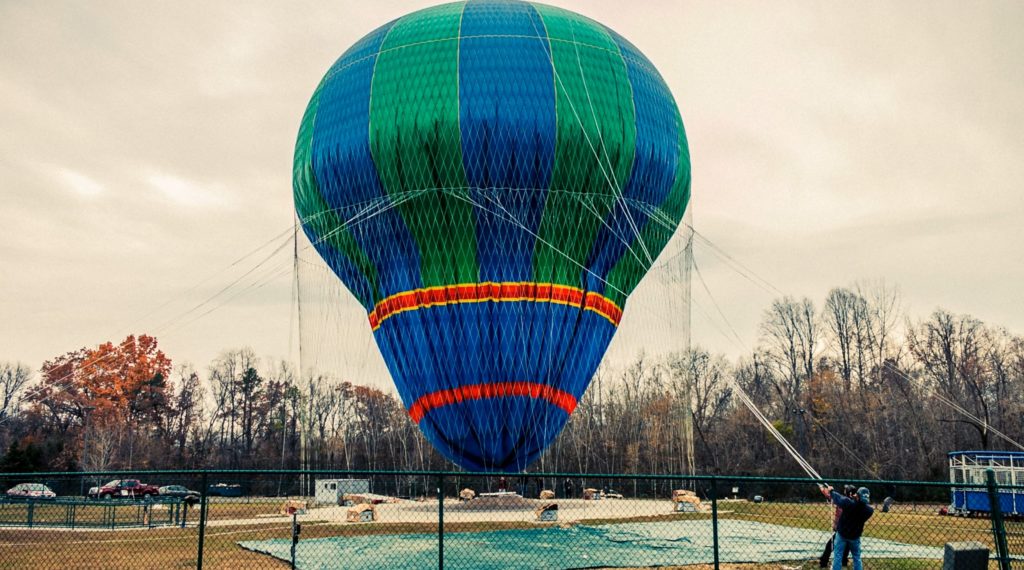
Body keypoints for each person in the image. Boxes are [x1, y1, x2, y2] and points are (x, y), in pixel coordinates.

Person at [820, 484, 874, 570]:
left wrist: (831, 491)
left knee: (838, 555)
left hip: (842, 534)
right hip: (855, 537)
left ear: (858, 496)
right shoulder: (869, 511)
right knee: (857, 557)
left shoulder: (848, 503)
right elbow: (859, 505)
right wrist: (856, 499)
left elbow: (839, 498)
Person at [819, 485, 854, 568]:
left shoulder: (842, 500)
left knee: (830, 546)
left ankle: (824, 562)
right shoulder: (854, 502)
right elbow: (831, 496)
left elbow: (830, 496)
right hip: (851, 530)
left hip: (842, 530)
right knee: (847, 546)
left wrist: (823, 489)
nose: (844, 490)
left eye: (845, 489)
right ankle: (844, 561)